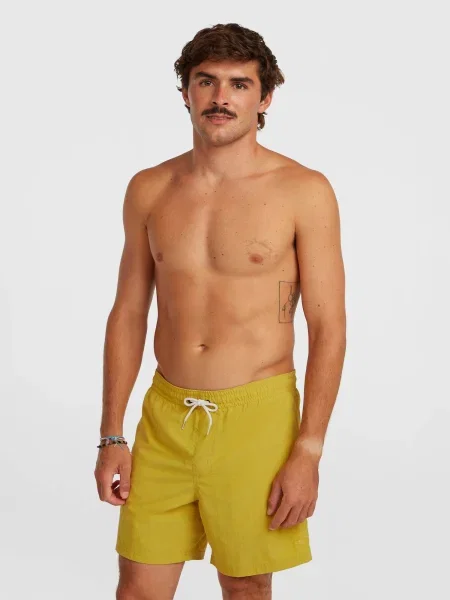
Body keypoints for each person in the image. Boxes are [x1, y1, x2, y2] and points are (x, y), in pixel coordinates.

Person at [94, 22, 346, 600]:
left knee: (246, 585)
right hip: (166, 415)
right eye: (206, 81)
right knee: (136, 589)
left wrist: (308, 449)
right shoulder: (149, 188)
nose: (220, 97)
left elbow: (328, 326)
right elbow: (128, 312)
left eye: (239, 84)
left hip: (257, 418)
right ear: (185, 92)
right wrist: (111, 434)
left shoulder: (303, 190)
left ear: (265, 98)